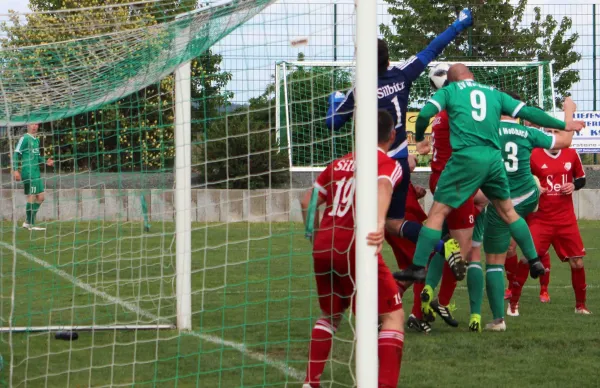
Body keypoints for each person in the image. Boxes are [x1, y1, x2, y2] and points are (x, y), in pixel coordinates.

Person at [394, 64, 586, 283]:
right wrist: (564, 123)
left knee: (436, 214)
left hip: (466, 159)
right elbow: (529, 112)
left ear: (451, 80)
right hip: (494, 161)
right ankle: (534, 259)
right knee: (508, 211)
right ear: (472, 76)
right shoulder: (494, 93)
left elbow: (424, 115)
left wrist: (420, 139)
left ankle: (418, 267)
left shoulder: (449, 91)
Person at [326, 10, 473, 263]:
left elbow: (333, 123)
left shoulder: (359, 91)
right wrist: (458, 25)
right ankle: (441, 246)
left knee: (368, 222)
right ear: (388, 59)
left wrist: (334, 100)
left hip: (377, 166)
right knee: (394, 222)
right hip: (402, 164)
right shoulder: (402, 74)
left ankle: (429, 250)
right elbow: (432, 50)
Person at [301, 110, 405, 388]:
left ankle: (310, 383)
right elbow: (383, 186)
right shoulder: (387, 163)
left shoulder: (339, 163)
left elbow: (307, 201)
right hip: (355, 245)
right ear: (392, 135)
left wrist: (313, 235)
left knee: (330, 314)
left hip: (324, 244)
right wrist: (381, 221)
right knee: (392, 315)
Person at [469, 94, 577, 332]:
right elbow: (565, 141)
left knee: (494, 262)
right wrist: (569, 111)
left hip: (501, 200)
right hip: (529, 196)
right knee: (518, 219)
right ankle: (534, 258)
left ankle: (498, 320)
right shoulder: (526, 132)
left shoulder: (486, 132)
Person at [508, 106, 590, 316]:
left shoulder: (571, 154)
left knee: (577, 261)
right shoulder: (534, 155)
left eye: (557, 132)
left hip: (566, 220)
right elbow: (523, 177)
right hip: (540, 219)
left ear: (563, 135)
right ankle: (513, 305)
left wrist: (574, 186)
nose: (553, 135)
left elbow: (581, 178)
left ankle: (580, 306)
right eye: (550, 132)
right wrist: (535, 187)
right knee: (527, 259)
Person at [13, 123, 54, 231]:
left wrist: (46, 162)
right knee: (32, 196)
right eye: (32, 124)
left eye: (36, 124)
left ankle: (28, 222)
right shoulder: (25, 138)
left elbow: (37, 157)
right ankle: (30, 224)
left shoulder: (36, 140)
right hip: (28, 171)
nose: (34, 126)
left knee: (41, 197)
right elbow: (16, 153)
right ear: (28, 125)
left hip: (36, 172)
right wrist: (15, 169)